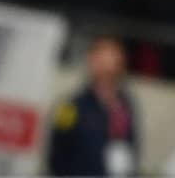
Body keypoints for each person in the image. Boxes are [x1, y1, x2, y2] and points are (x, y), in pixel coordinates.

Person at [48, 36, 138, 176]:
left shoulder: (125, 106)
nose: (107, 68)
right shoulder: (71, 106)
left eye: (113, 61)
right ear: (92, 62)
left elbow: (131, 150)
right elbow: (56, 154)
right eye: (101, 60)